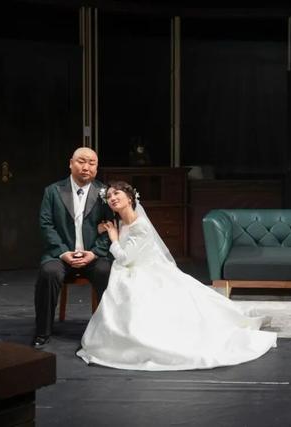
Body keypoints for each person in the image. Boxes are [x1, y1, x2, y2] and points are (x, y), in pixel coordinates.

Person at [76, 181, 277, 370]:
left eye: (116, 193)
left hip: (143, 270)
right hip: (132, 269)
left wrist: (113, 238)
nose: (112, 198)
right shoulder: (121, 222)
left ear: (129, 198)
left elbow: (125, 259)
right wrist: (109, 230)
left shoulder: (140, 225)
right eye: (109, 196)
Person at [33, 147, 113, 348]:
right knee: (49, 273)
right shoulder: (53, 191)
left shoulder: (105, 193)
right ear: (70, 163)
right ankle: (42, 331)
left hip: (93, 255)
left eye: (92, 163)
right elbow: (46, 225)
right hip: (60, 254)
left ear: (96, 168)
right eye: (81, 161)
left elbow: (111, 227)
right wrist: (62, 252)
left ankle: (107, 330)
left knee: (106, 271)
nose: (86, 167)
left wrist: (94, 252)